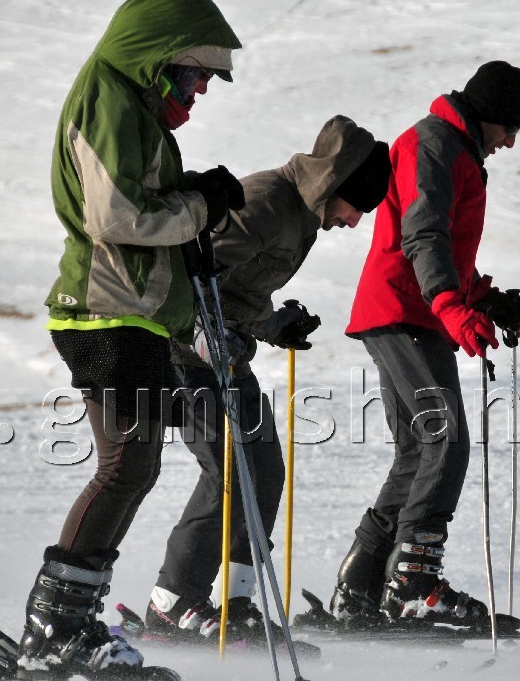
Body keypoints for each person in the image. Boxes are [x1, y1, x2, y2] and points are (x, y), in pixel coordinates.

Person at [0, 0, 247, 679]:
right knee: (126, 465)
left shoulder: (136, 112)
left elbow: (145, 201)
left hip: (126, 315)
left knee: (133, 466)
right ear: (161, 60)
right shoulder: (109, 95)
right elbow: (118, 216)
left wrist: (195, 196)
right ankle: (54, 628)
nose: (198, 92)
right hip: (101, 312)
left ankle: (65, 625)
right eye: (196, 74)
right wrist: (199, 205)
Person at [141, 115, 392, 648]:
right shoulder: (264, 203)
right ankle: (172, 604)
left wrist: (273, 324)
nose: (353, 222)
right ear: (336, 184)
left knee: (264, 471)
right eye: (357, 208)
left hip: (225, 356)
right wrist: (221, 336)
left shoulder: (301, 215)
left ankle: (237, 604)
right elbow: (189, 283)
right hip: (185, 354)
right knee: (228, 470)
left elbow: (237, 295)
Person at [329, 61, 520, 628]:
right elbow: (422, 235)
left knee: (418, 452)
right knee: (447, 440)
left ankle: (361, 583)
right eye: (510, 127)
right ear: (490, 115)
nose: (511, 141)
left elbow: (444, 246)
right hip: (406, 309)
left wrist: (484, 299)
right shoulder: (432, 142)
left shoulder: (454, 147)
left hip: (410, 308)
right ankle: (413, 585)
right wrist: (450, 306)